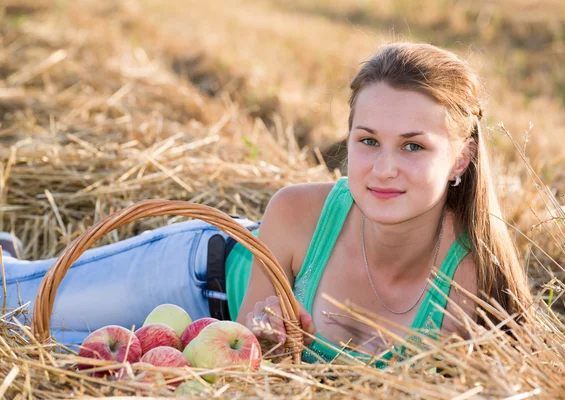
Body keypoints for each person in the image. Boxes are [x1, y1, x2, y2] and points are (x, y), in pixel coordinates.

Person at [1, 42, 531, 366]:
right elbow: (258, 355)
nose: (384, 167)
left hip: (204, 362)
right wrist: (267, 335)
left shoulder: (471, 283)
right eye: (368, 140)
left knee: (75, 361)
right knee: (13, 310)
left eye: (413, 146)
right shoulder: (297, 213)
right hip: (193, 279)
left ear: (462, 157)